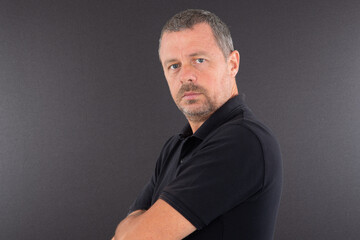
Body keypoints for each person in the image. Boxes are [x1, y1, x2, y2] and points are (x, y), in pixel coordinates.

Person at [112, 9, 282, 240]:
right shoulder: (174, 147)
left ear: (232, 64)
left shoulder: (242, 140)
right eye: (174, 65)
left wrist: (135, 225)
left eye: (199, 60)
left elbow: (132, 237)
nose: (186, 76)